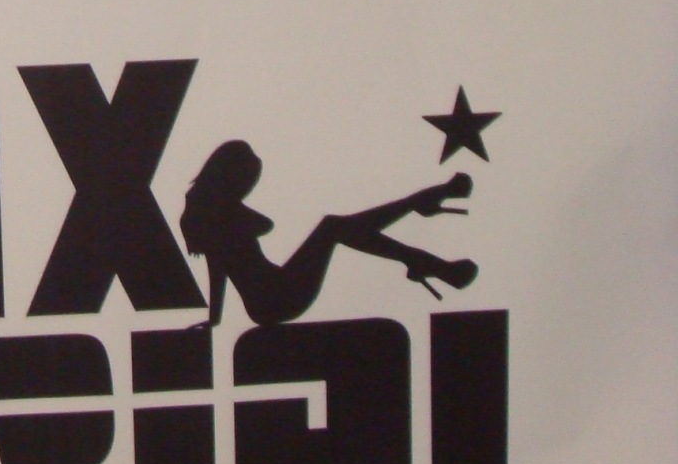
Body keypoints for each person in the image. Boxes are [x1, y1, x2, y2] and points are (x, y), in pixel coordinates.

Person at [180, 139, 478, 328]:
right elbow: (263, 225)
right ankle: (422, 220)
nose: (247, 187)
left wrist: (215, 318)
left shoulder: (203, 215)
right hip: (280, 296)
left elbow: (217, 268)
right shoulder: (219, 213)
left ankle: (422, 229)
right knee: (333, 227)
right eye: (245, 179)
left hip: (269, 298)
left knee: (337, 228)